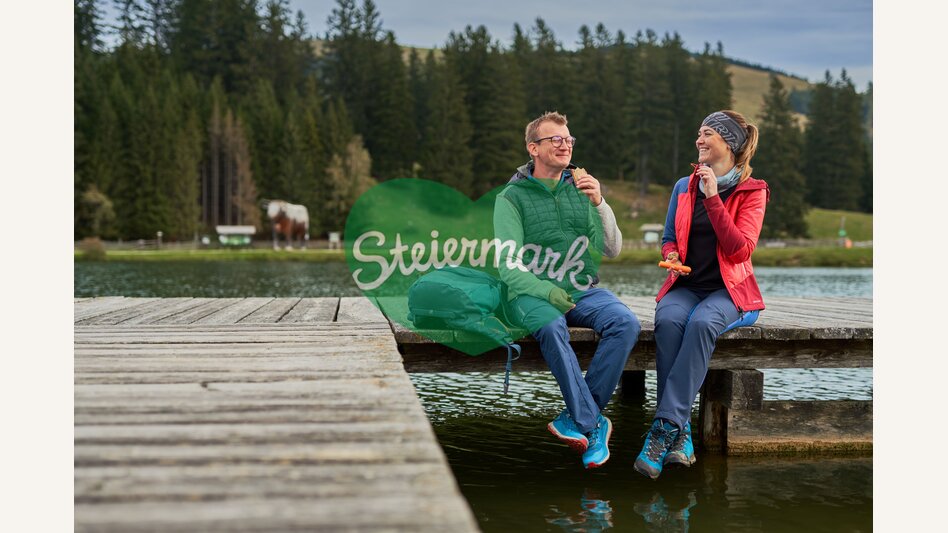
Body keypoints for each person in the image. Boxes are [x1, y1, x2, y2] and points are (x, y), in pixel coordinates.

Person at [493, 111, 641, 469]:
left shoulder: (582, 188)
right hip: (531, 293)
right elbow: (507, 265)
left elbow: (612, 249)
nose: (564, 145)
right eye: (554, 139)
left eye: (568, 139)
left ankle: (576, 418)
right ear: (533, 148)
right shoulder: (510, 197)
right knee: (550, 325)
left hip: (582, 289)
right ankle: (592, 423)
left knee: (626, 323)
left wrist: (600, 204)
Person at [634, 110, 770, 479]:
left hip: (731, 292)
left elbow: (740, 250)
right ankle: (681, 435)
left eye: (707, 133)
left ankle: (663, 430)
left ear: (729, 143)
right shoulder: (683, 186)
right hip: (688, 286)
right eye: (698, 133)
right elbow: (667, 238)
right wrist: (671, 256)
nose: (699, 140)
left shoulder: (753, 191)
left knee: (702, 323)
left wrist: (713, 198)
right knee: (670, 319)